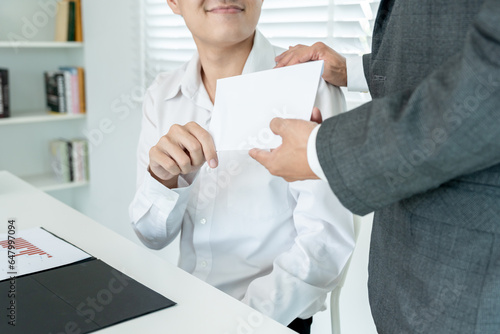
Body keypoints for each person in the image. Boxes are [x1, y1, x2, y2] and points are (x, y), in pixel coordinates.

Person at [249, 0, 500, 333]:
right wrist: (352, 70)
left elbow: (488, 87)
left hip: (469, 281)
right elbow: (438, 46)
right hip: (404, 275)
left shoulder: (309, 96)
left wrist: (319, 151)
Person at [129, 1, 355, 333]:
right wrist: (163, 181)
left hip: (271, 320)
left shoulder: (312, 85)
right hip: (185, 309)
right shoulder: (161, 94)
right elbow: (150, 236)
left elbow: (325, 244)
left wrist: (241, 322)